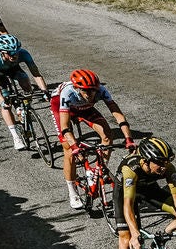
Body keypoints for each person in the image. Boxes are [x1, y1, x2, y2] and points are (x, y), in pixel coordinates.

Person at [51, 69, 136, 210]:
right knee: (68, 149)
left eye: (93, 90)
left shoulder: (101, 90)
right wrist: (74, 147)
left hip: (84, 108)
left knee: (108, 135)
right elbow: (65, 127)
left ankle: (100, 169)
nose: (91, 94)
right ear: (77, 88)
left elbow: (118, 115)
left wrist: (129, 138)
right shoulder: (67, 93)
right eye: (87, 91)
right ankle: (72, 192)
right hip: (60, 106)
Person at [0, 35, 48, 150]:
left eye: (16, 52)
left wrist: (45, 91)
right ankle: (16, 136)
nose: (14, 55)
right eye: (10, 53)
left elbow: (36, 74)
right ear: (2, 52)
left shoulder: (23, 53)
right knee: (6, 102)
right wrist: (2, 101)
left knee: (25, 81)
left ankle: (24, 109)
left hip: (12, 68)